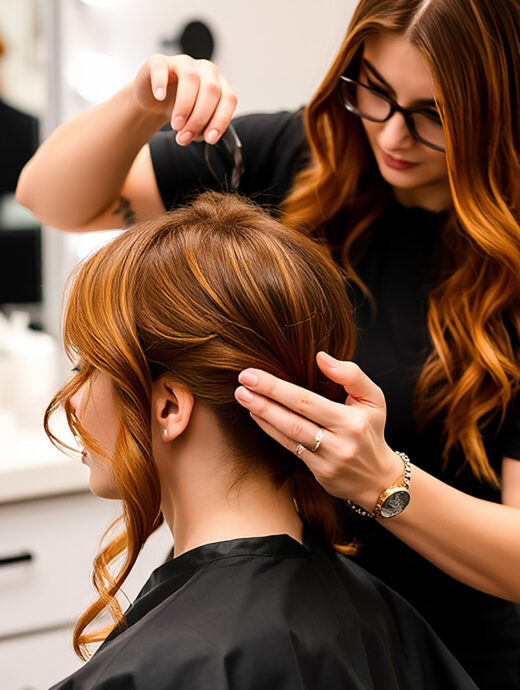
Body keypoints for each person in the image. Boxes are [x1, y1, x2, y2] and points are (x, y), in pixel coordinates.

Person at [16, 0, 520, 687]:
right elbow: (47, 197)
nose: (394, 132)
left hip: (437, 654)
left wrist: (383, 482)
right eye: (374, 90)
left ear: (496, 106)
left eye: (433, 114)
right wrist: (140, 106)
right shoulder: (300, 158)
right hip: (288, 622)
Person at [44, 192, 476, 689]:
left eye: (87, 369)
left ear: (169, 408)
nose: (70, 402)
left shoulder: (174, 665)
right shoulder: (378, 618)